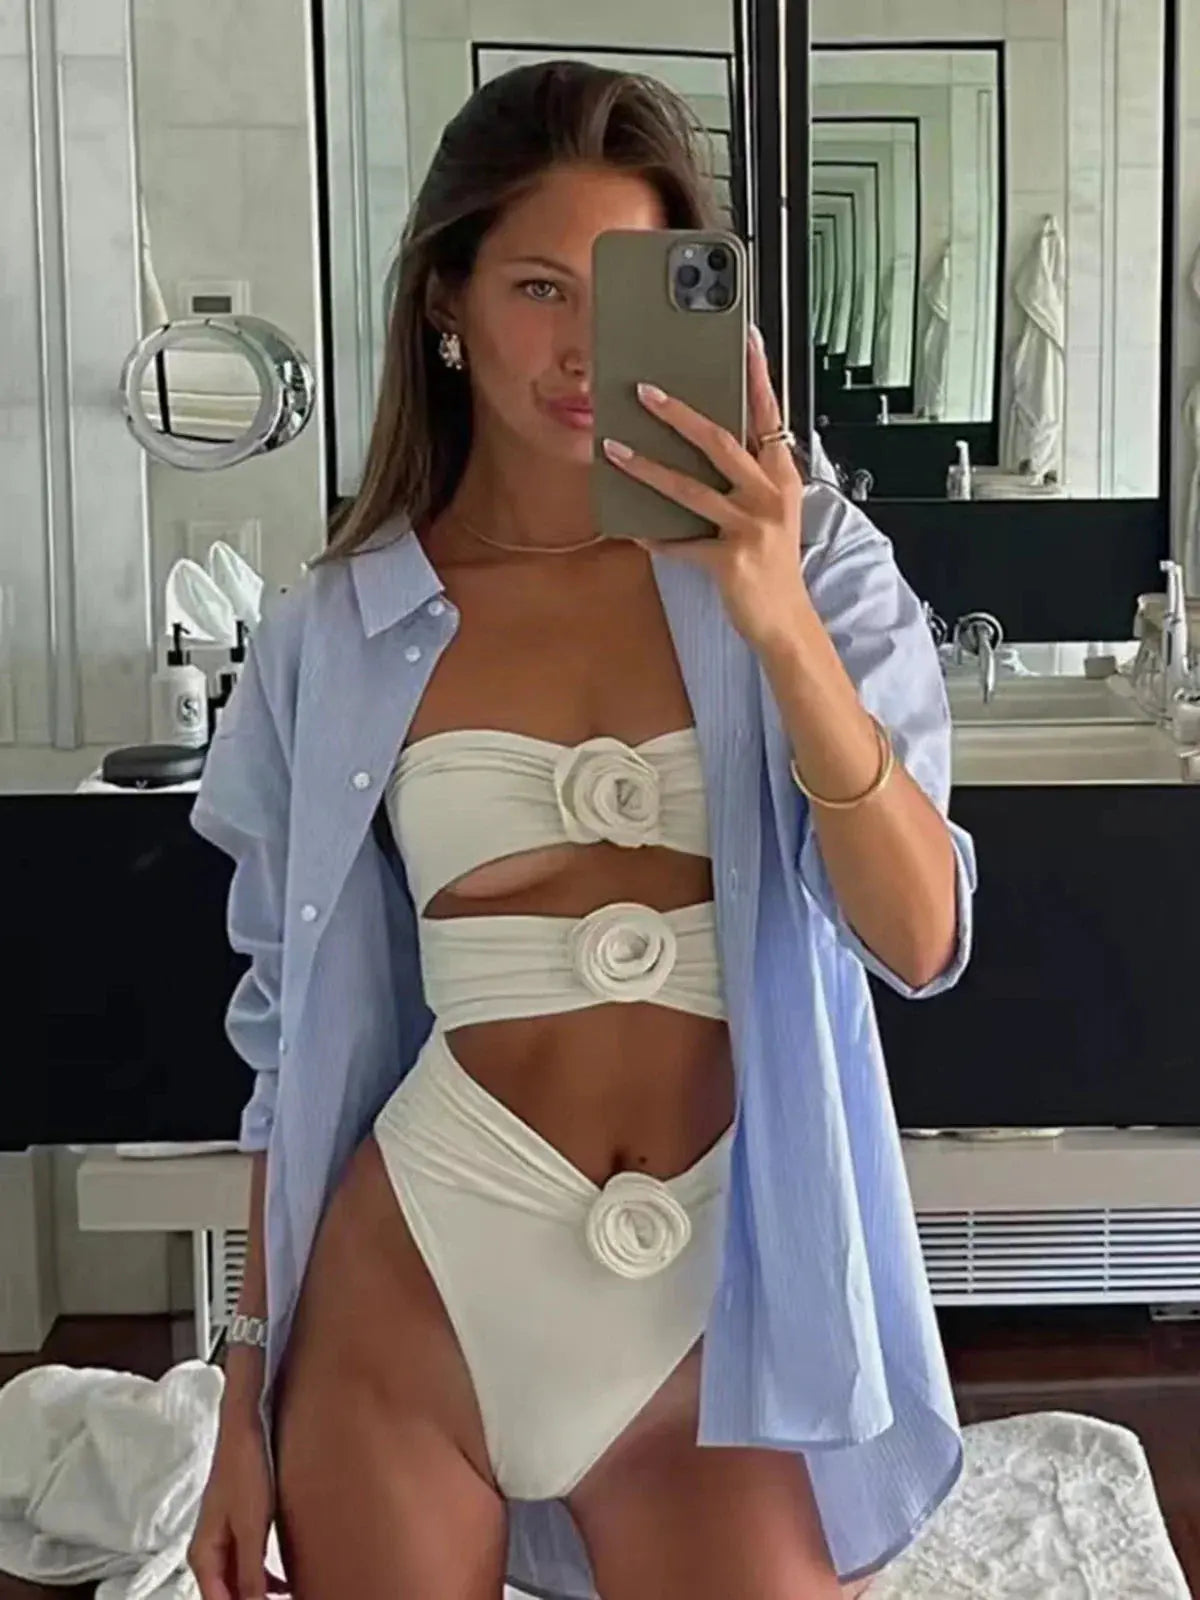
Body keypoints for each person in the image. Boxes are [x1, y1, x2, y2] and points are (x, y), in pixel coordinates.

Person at [187, 60, 976, 1600]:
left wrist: (776, 621)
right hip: (420, 1278)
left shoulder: (811, 562)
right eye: (539, 287)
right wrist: (241, 1385)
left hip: (716, 1303)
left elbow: (921, 934)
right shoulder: (338, 633)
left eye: (625, 294)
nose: (582, 347)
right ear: (447, 301)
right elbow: (291, 1040)